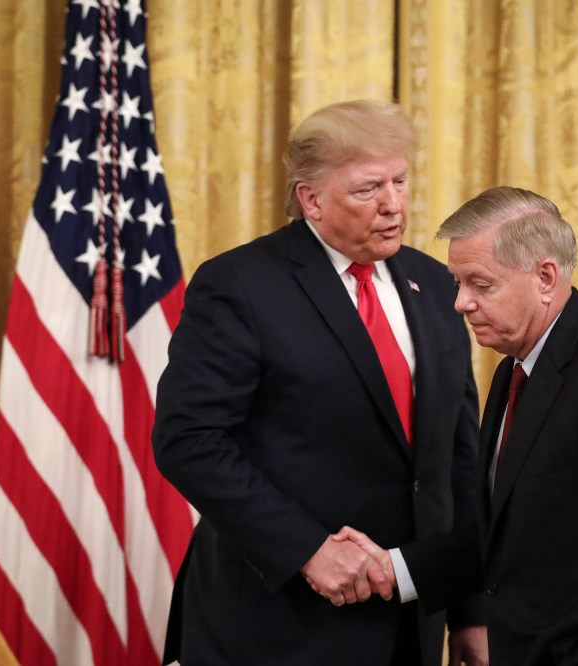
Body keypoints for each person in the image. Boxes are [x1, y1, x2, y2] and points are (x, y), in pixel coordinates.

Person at [151, 100, 486, 665]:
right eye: (367, 189)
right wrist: (307, 549)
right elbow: (188, 440)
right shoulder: (240, 284)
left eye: (400, 181)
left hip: (409, 625)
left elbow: (458, 459)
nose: (392, 205)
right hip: (276, 621)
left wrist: (470, 610)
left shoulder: (435, 284)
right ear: (310, 198)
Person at [342, 185, 578, 665]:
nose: (460, 304)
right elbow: (504, 534)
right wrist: (394, 569)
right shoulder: (516, 365)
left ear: (545, 278)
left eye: (481, 284)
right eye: (457, 284)